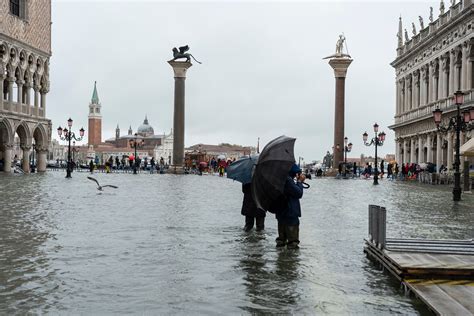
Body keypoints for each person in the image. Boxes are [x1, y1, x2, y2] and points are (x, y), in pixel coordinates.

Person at [275, 164, 305, 249]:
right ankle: (290, 261)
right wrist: (299, 182)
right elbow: (298, 193)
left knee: (281, 241)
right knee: (293, 243)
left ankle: (280, 260)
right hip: (290, 213)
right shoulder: (287, 180)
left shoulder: (278, 178)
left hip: (280, 212)